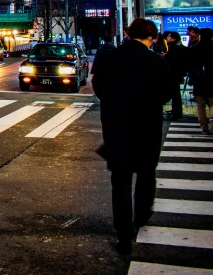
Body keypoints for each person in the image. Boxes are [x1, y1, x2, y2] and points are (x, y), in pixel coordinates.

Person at [92, 18, 174, 255]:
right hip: (147, 126)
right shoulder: (155, 61)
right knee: (147, 174)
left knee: (121, 181)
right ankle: (142, 216)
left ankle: (123, 234)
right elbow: (166, 92)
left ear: (128, 33)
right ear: (152, 38)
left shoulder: (110, 58)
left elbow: (99, 87)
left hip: (117, 127)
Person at [187, 27, 213, 135]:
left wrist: (193, 79)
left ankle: (204, 127)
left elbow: (191, 66)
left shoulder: (195, 49)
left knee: (200, 104)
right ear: (211, 37)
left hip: (199, 81)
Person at [164, 31, 189, 121]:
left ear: (174, 38)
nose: (167, 38)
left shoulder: (175, 48)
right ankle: (176, 112)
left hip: (173, 74)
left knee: (174, 94)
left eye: (169, 37)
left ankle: (176, 113)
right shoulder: (177, 47)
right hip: (176, 74)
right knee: (175, 94)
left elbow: (172, 61)